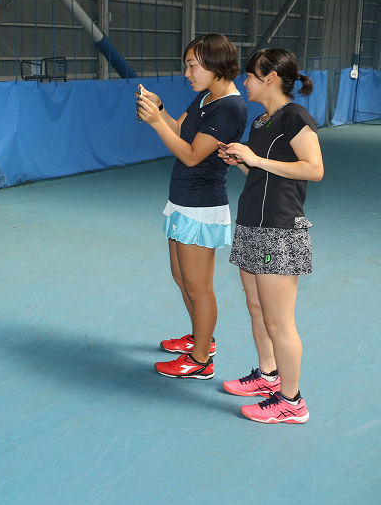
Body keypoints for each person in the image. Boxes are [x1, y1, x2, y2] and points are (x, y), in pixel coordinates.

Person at [218, 48, 322, 424]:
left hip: (279, 230)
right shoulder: (261, 122)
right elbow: (266, 176)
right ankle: (268, 376)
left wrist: (256, 159)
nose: (244, 82)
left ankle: (292, 402)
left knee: (280, 322)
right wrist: (243, 162)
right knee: (257, 308)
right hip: (252, 224)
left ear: (270, 78)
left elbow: (313, 169)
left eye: (249, 75)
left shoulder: (295, 116)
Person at [137, 33, 247, 379]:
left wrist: (156, 123)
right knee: (181, 278)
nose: (187, 74)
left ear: (214, 65)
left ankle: (201, 360)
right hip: (182, 199)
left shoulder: (230, 107)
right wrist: (160, 111)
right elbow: (180, 131)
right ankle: (201, 338)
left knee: (200, 288)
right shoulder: (206, 96)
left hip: (201, 205)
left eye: (192, 66)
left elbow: (191, 155)